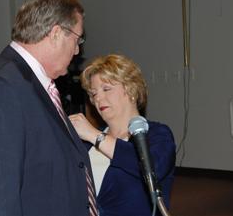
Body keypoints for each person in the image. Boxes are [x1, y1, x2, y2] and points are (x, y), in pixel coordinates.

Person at [0, 0, 97, 216]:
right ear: (55, 33)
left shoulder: (31, 82)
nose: (77, 50)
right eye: (77, 38)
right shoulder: (2, 89)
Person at [69, 54, 176, 216]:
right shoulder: (86, 144)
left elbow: (152, 169)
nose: (98, 98)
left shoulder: (157, 135)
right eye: (94, 93)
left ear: (131, 89)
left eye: (106, 89)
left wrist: (95, 135)